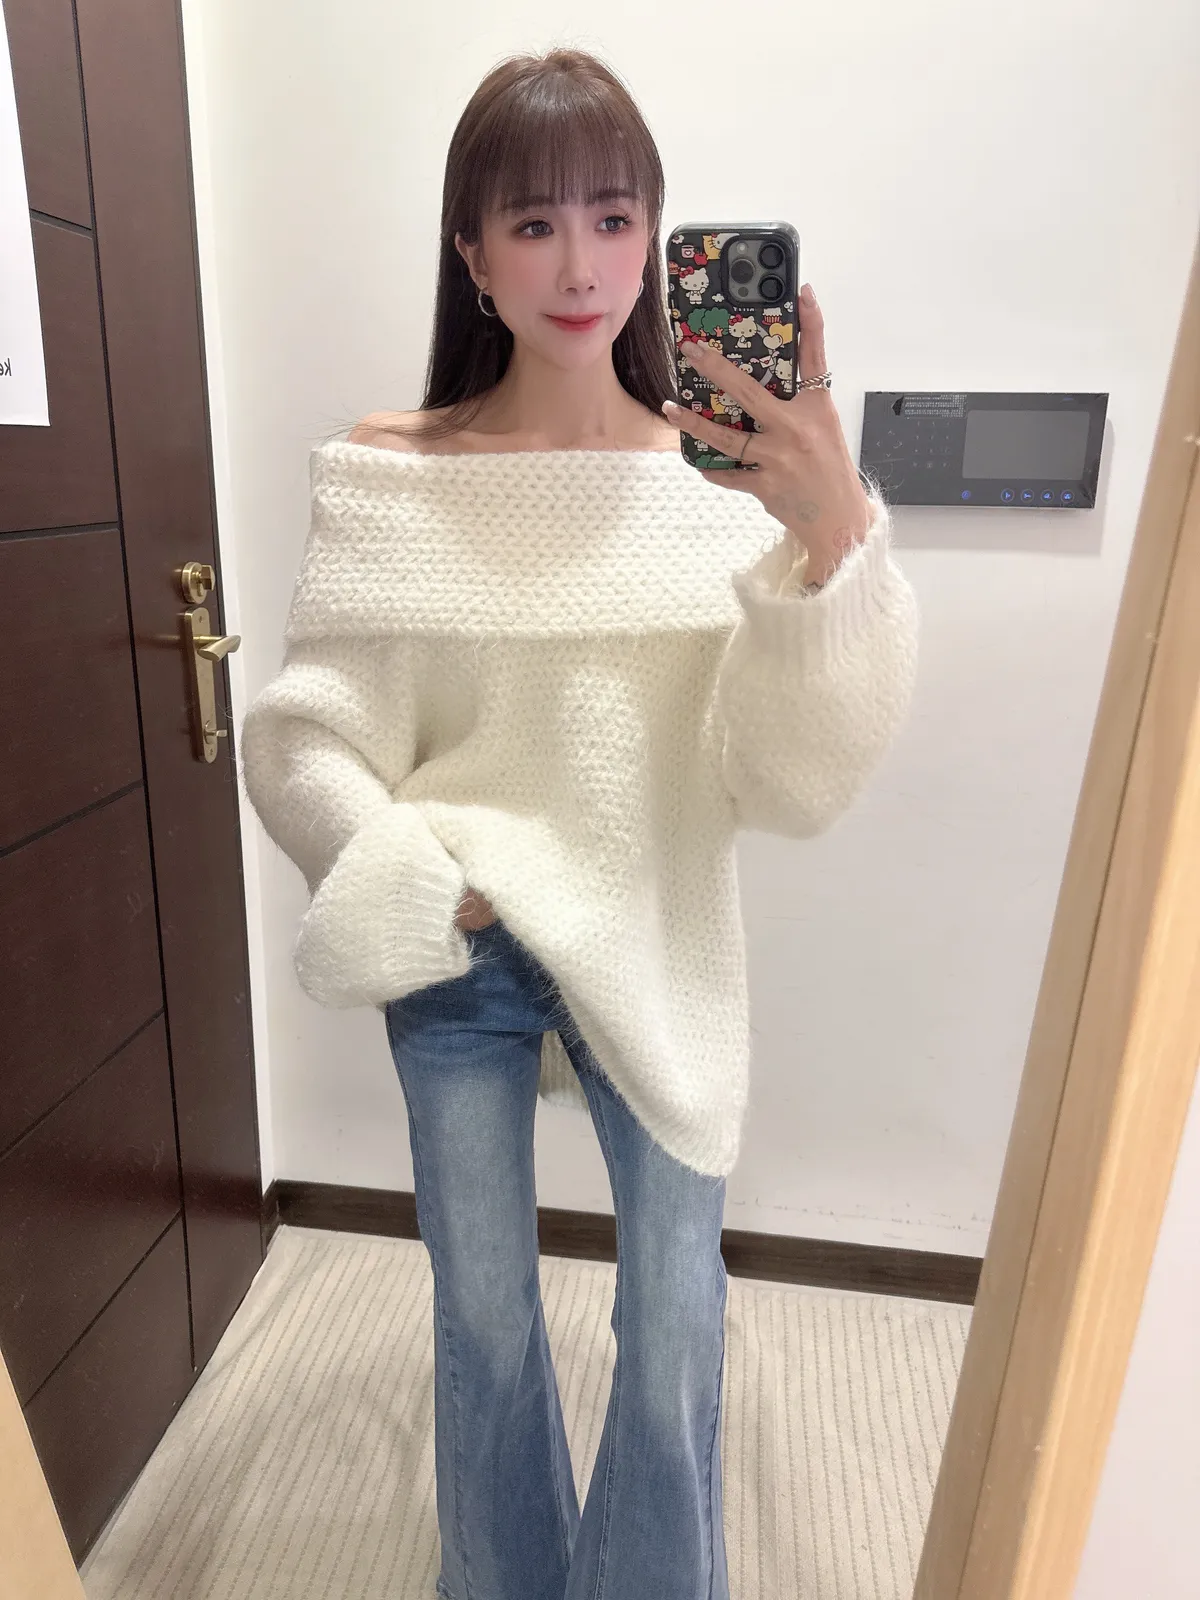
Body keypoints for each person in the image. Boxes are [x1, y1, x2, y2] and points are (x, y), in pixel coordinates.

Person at [239, 45, 919, 1600]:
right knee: (483, 1319)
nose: (579, 265)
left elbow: (791, 779)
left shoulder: (725, 490)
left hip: (658, 933)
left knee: (676, 1324)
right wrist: (418, 874)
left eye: (614, 218)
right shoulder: (390, 475)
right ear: (472, 253)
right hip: (457, 948)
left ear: (658, 241)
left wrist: (831, 538)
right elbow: (307, 733)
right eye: (533, 222)